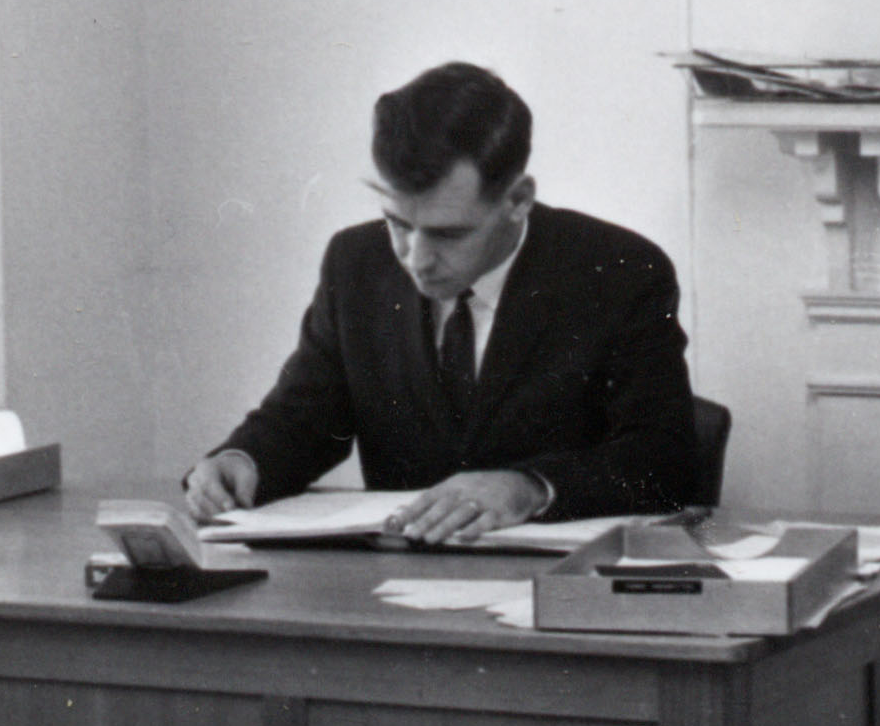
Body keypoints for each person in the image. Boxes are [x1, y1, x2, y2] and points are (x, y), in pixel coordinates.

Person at [179, 60, 699, 545]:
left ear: (518, 200)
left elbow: (664, 460)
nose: (415, 258)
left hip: (560, 585)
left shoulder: (619, 271)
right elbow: (307, 417)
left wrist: (530, 488)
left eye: (449, 234)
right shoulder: (355, 263)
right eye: (398, 224)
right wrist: (244, 460)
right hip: (394, 585)